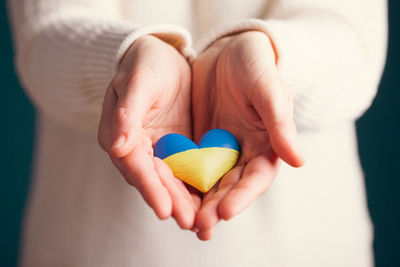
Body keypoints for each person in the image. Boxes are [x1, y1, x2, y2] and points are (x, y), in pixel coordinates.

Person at [7, 0, 387, 266]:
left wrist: (271, 59)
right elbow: (45, 34)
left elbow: (354, 39)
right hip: (87, 250)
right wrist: (126, 62)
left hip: (309, 251)